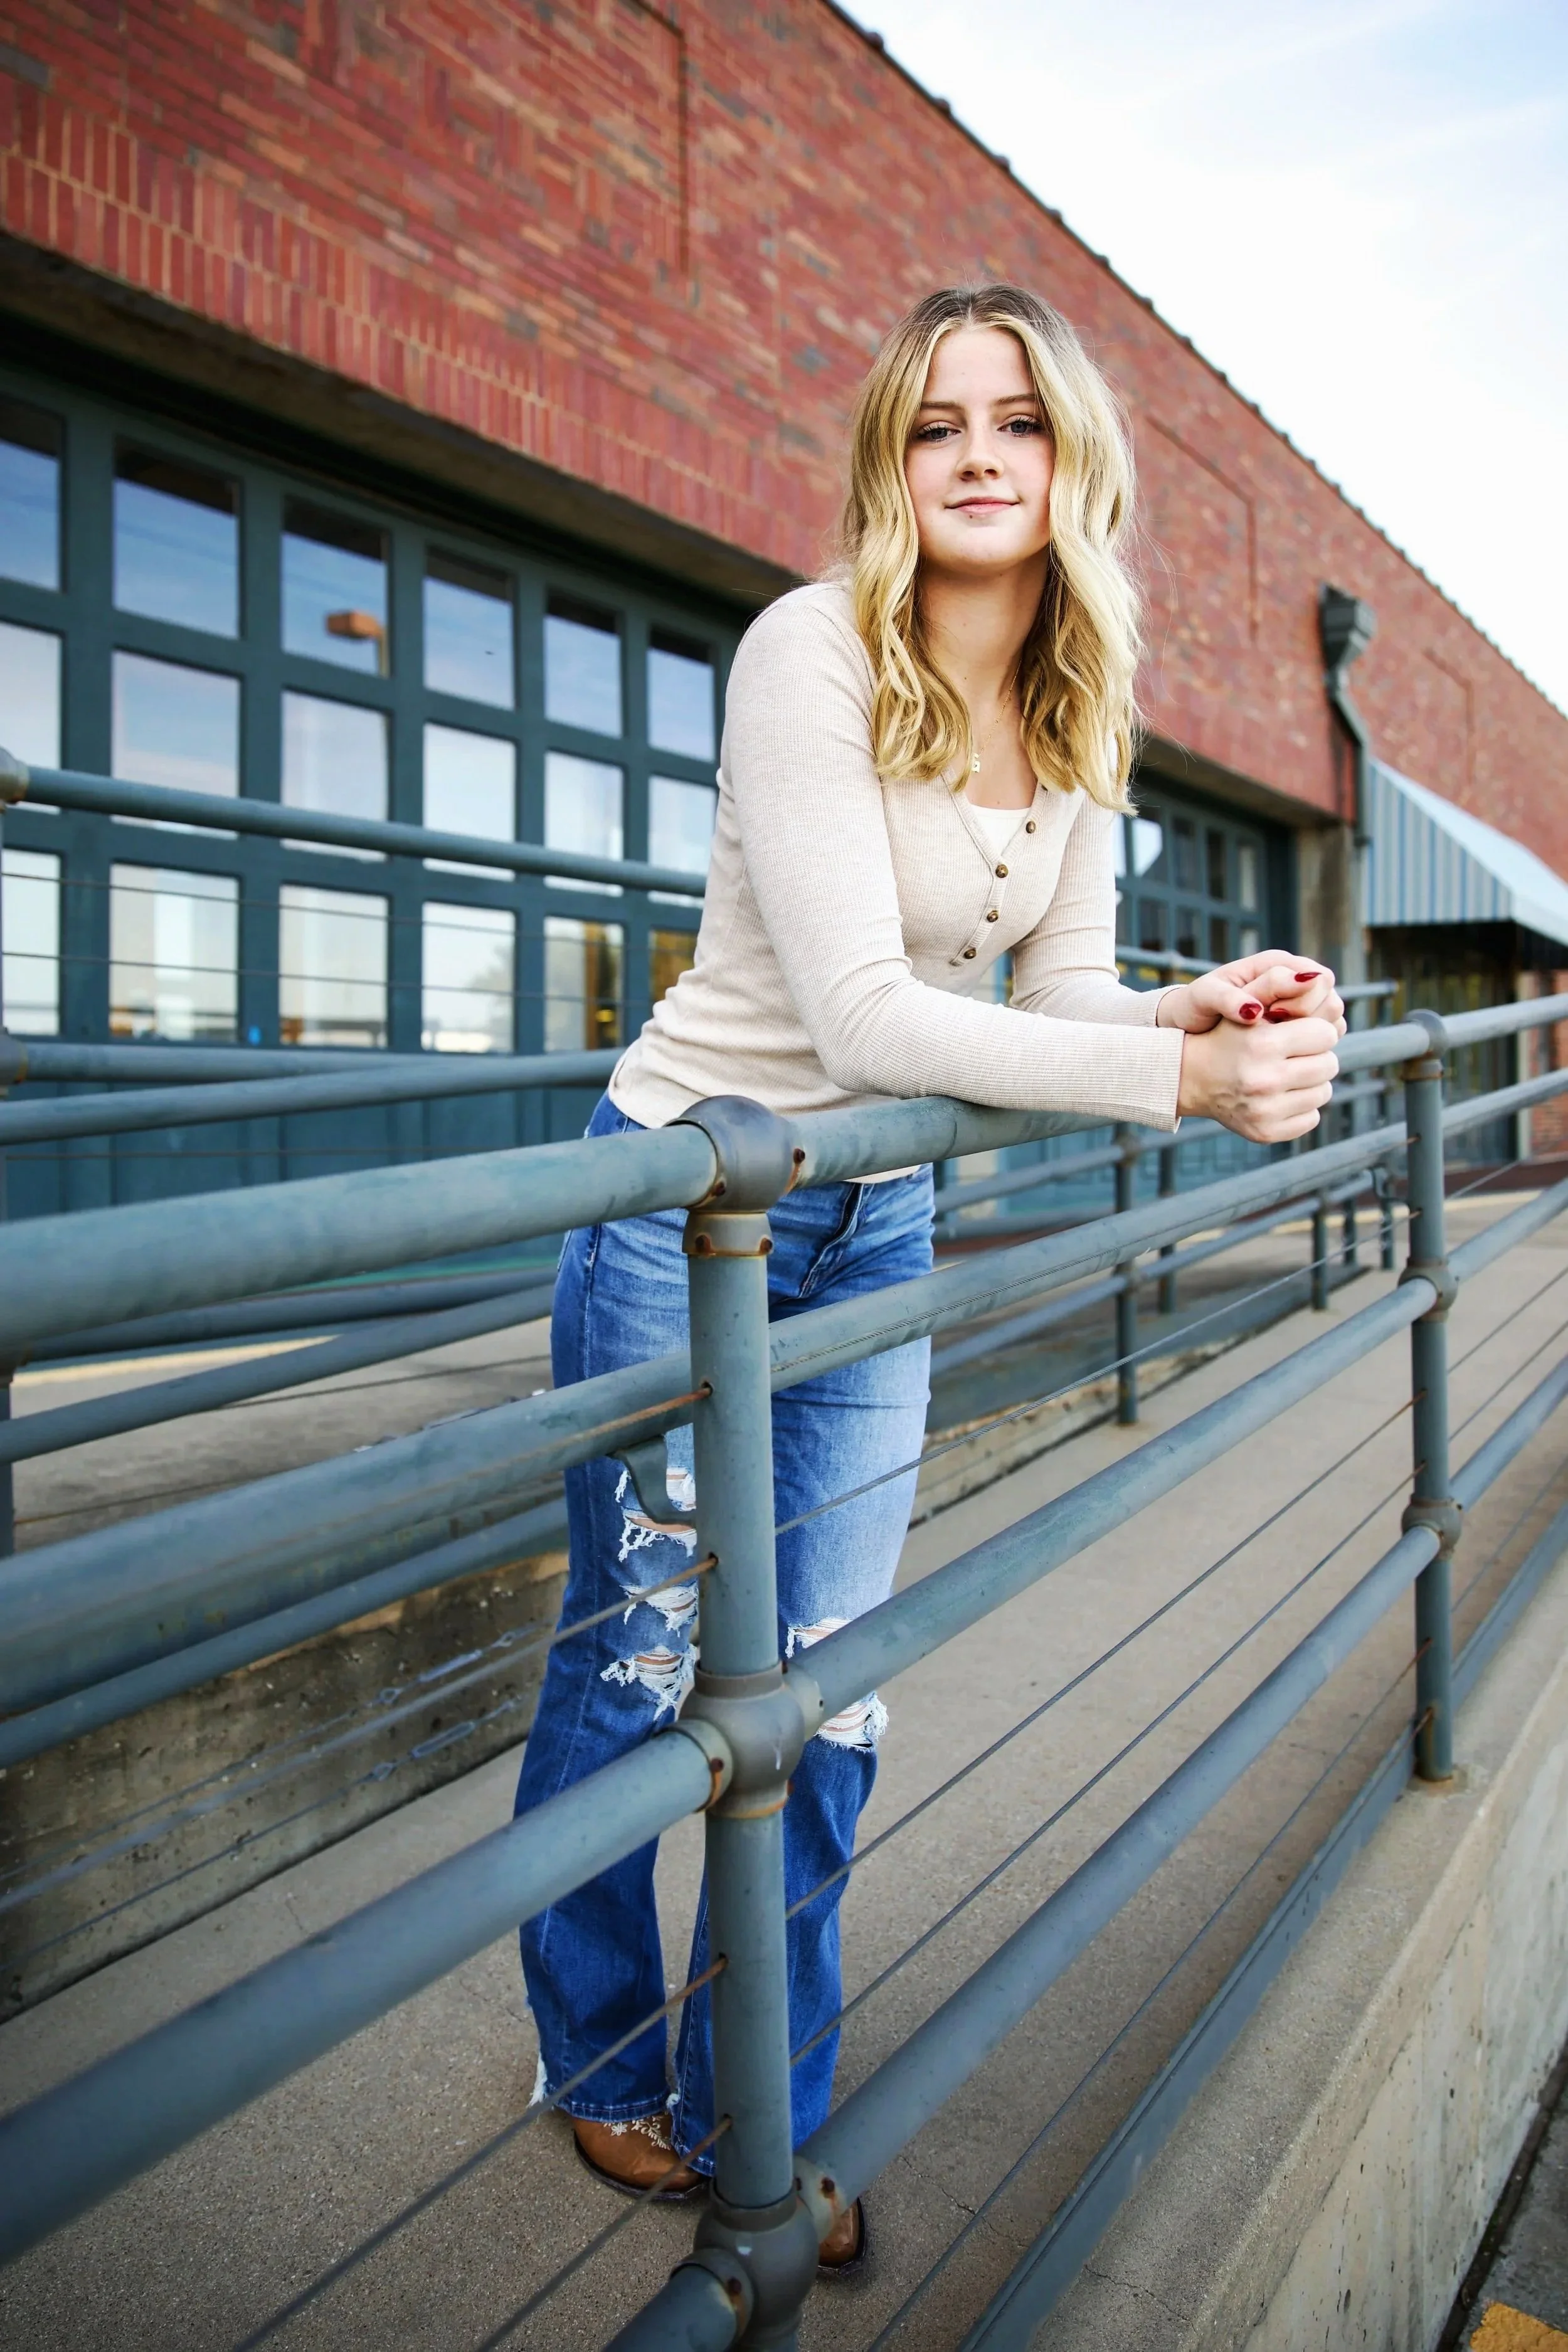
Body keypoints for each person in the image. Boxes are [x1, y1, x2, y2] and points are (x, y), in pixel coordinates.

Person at [513, 282, 1343, 2268]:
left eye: (1020, 422)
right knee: (640, 1670)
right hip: (677, 1207)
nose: (979, 454)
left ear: (1074, 464)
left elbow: (1050, 999)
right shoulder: (808, 649)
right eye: (935, 423)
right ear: (891, 463)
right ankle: (602, 2061)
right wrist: (1185, 1079)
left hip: (868, 1215)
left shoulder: (1079, 707)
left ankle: (757, 2127)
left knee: (830, 1691)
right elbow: (871, 1020)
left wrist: (1186, 1005)